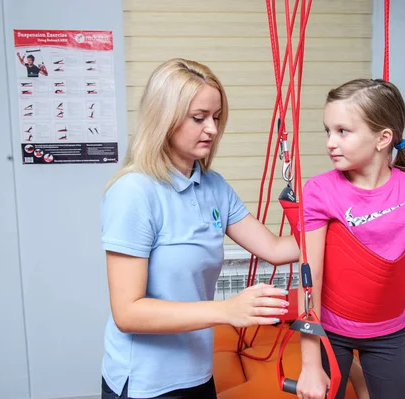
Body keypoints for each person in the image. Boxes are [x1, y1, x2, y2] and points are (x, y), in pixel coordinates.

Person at [99, 58, 301, 399]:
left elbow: (277, 249)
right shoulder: (134, 192)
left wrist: (349, 215)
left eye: (217, 117)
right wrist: (227, 310)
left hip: (197, 375)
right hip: (147, 384)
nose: (212, 129)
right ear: (164, 117)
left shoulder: (213, 186)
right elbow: (127, 312)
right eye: (199, 118)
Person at [294, 79, 405, 399]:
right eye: (327, 131)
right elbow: (310, 277)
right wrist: (310, 363)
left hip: (388, 334)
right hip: (330, 331)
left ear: (382, 138)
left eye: (343, 131)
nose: (330, 142)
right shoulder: (319, 190)